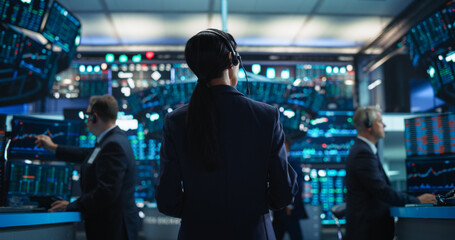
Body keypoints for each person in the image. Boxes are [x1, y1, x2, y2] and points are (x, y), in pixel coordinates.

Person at [155, 28, 298, 240]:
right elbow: (283, 192)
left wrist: (200, 212)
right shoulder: (266, 116)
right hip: (254, 233)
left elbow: (167, 199)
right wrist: (253, 205)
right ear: (232, 58)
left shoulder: (175, 121)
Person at [35, 95, 139, 240]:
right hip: (110, 226)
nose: (86, 120)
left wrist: (71, 205)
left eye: (87, 115)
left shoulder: (112, 144)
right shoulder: (111, 140)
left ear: (94, 117)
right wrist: (54, 148)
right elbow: (86, 154)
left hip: (112, 230)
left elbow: (106, 192)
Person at [345, 106, 436, 240]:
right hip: (367, 230)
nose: (384, 125)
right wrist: (416, 200)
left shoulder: (364, 150)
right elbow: (381, 190)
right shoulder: (362, 153)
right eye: (380, 122)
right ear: (368, 125)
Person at [272, 137, 308, 240]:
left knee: (295, 236)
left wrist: (290, 206)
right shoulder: (277, 161)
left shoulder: (294, 162)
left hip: (290, 210)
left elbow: (297, 186)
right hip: (279, 210)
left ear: (286, 146)